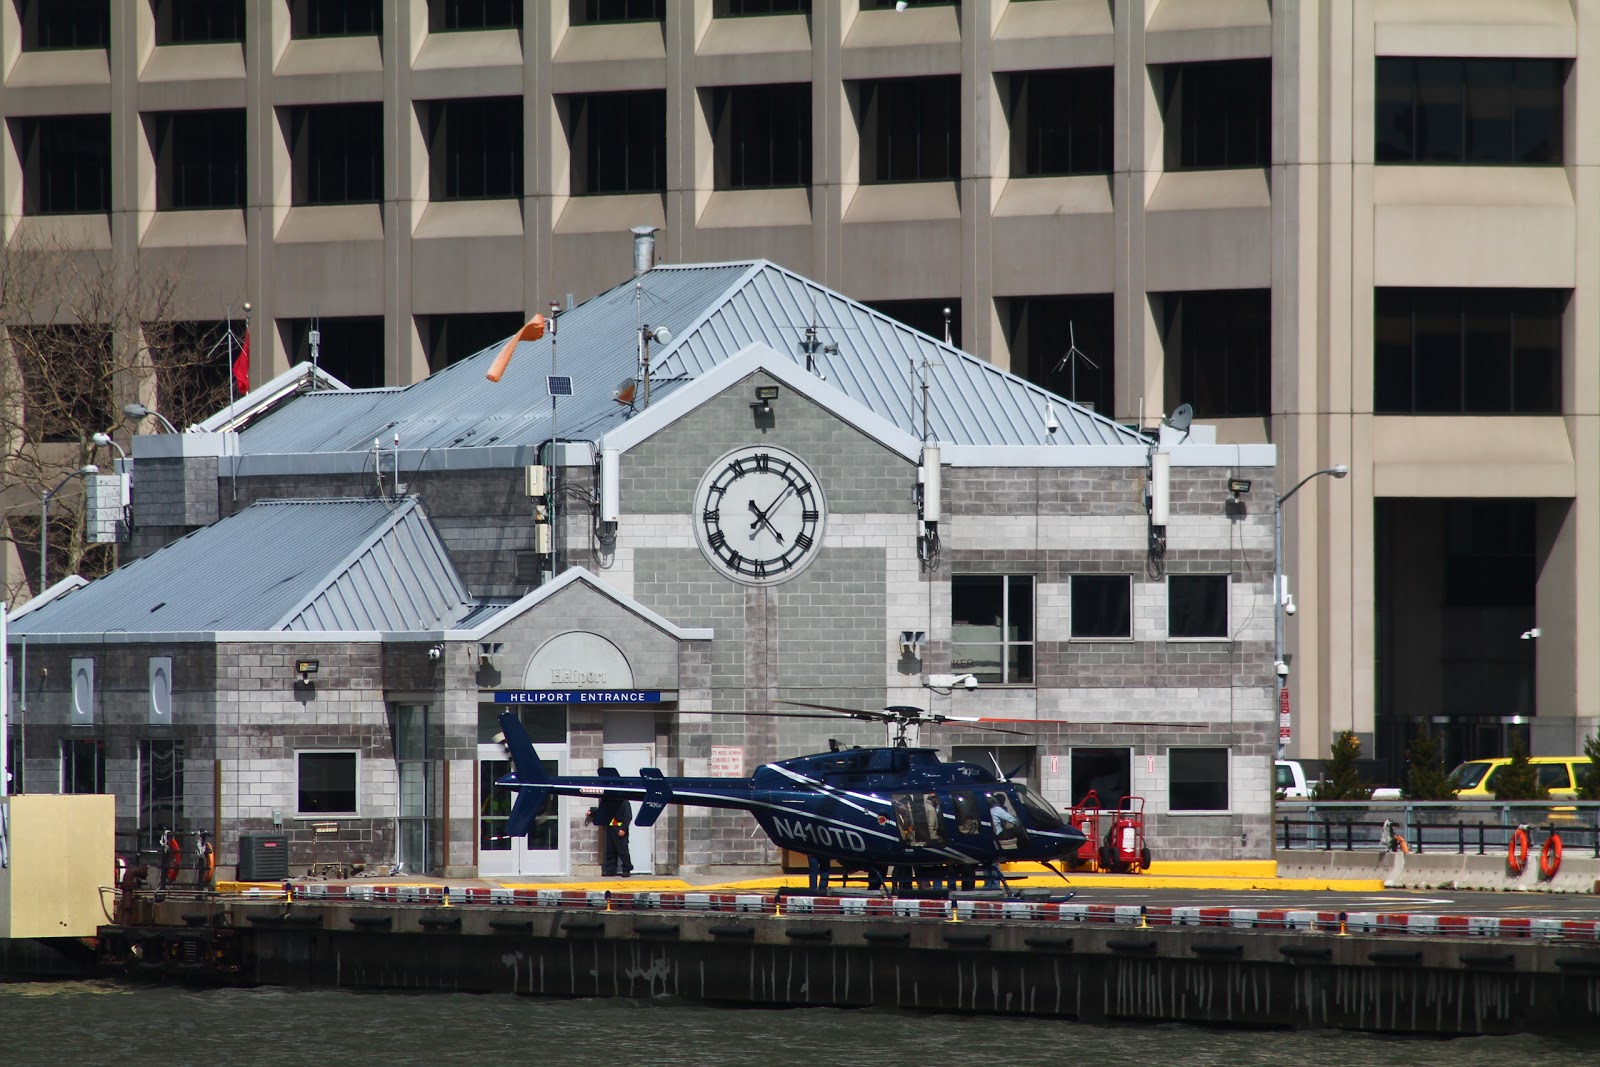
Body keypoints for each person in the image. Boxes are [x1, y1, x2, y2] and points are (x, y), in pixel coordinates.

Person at [587, 794, 633, 878]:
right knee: (610, 850)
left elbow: (628, 816)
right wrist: (592, 813)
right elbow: (602, 812)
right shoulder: (609, 802)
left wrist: (623, 828)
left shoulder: (624, 802)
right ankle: (610, 869)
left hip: (619, 829)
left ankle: (627, 869)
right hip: (610, 828)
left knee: (622, 850)